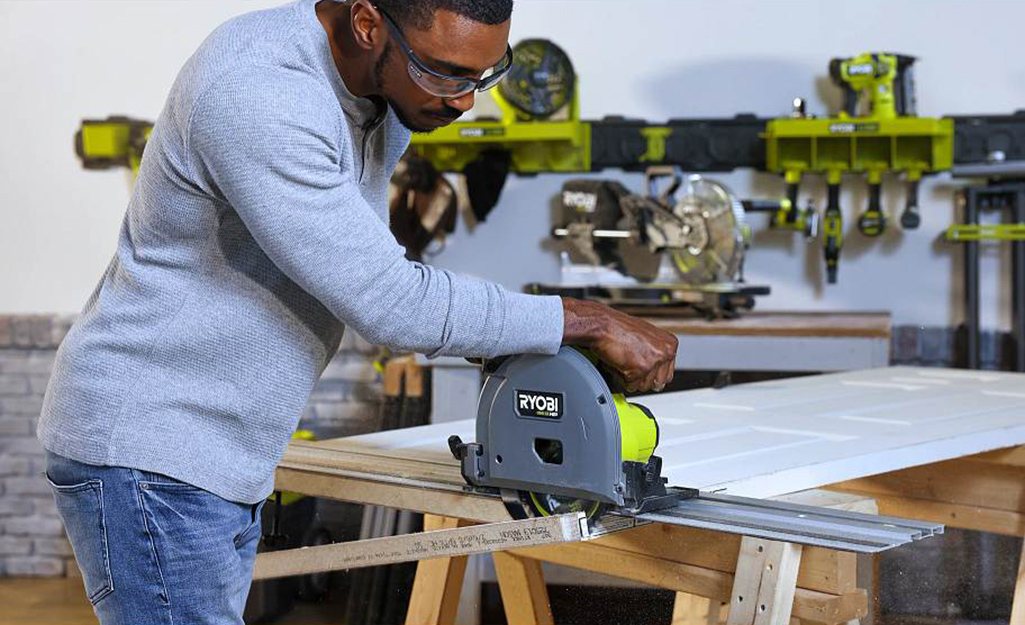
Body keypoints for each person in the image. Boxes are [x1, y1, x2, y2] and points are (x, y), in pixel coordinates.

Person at [37, 0, 678, 621]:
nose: (464, 100)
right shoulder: (259, 91)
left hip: (213, 453)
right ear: (369, 23)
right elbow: (389, 300)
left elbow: (373, 268)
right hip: (152, 451)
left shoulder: (382, 98)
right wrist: (583, 319)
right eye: (444, 73)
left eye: (484, 74)